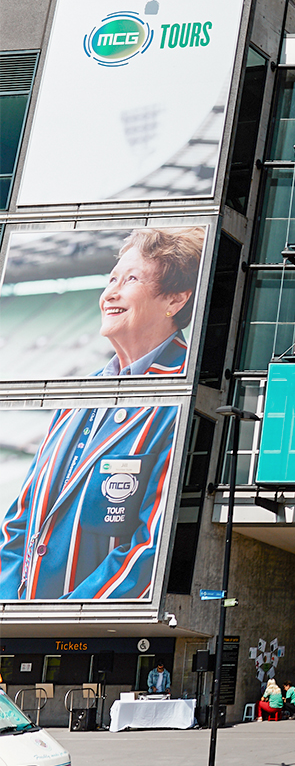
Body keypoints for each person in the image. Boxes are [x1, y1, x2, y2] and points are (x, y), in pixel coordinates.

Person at [0, 227, 203, 601]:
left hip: (88, 629)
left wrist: (64, 616)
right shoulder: (81, 393)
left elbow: (153, 546)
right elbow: (20, 521)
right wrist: (10, 605)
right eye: (111, 279)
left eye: (131, 279)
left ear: (175, 300)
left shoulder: (183, 394)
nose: (110, 292)